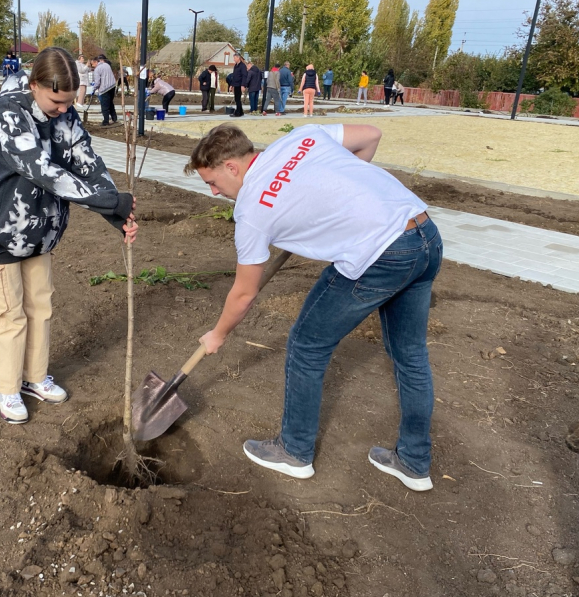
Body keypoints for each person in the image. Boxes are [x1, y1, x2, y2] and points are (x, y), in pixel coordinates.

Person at [184, 122, 442, 492]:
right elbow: (371, 135)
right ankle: (414, 462)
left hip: (381, 255)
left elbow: (243, 294)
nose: (213, 191)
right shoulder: (301, 137)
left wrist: (217, 335)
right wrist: (345, 202)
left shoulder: (253, 210)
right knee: (411, 354)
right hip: (424, 235)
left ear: (232, 167)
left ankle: (294, 451)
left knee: (307, 345)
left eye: (212, 182)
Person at [0, 46, 138, 425]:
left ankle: (34, 378)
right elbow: (43, 170)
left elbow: (86, 160)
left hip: (42, 231)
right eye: (57, 101)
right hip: (3, 231)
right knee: (8, 313)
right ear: (34, 85)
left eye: (69, 102)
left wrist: (117, 209)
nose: (64, 109)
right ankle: (7, 388)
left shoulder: (63, 114)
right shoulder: (9, 113)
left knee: (40, 307)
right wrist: (106, 203)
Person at [90, 55, 117, 126]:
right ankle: (114, 118)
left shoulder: (97, 69)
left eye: (92, 64)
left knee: (104, 106)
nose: (92, 66)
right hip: (112, 86)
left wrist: (93, 89)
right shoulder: (106, 65)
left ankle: (106, 121)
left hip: (104, 89)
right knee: (110, 103)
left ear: (96, 62)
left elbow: (97, 82)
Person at [231, 53, 247, 117]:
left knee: (237, 99)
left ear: (238, 58)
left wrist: (243, 85)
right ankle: (241, 111)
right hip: (235, 84)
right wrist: (231, 85)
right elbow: (234, 76)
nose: (234, 59)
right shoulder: (235, 66)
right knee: (236, 98)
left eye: (235, 58)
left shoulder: (242, 66)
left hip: (240, 84)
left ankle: (238, 112)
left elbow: (244, 76)